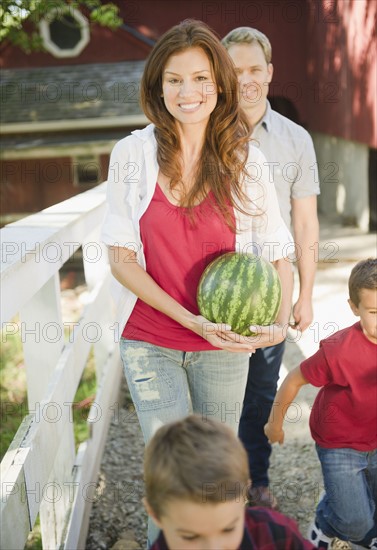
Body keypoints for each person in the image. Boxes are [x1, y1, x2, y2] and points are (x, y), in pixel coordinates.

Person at [101, 19, 294, 545]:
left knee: (217, 472)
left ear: (219, 86)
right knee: (170, 475)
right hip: (152, 337)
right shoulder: (132, 157)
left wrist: (278, 326)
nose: (188, 92)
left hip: (226, 343)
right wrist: (189, 318)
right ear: (158, 87)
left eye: (201, 79)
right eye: (174, 80)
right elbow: (120, 259)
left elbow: (279, 250)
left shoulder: (244, 160)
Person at [222, 27, 320, 509]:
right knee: (217, 388)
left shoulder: (295, 139)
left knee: (261, 389)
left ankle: (255, 480)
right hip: (212, 283)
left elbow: (305, 220)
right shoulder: (204, 134)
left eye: (254, 69)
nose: (246, 80)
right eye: (235, 70)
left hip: (272, 288)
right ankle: (218, 482)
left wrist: (304, 294)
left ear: (270, 72)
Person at [264, 258, 377, 550]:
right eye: (374, 311)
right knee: (357, 523)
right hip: (340, 445)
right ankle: (335, 522)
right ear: (354, 307)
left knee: (370, 506)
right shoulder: (338, 351)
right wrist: (274, 424)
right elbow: (293, 381)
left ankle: (338, 513)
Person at [144, 414, 316, 549]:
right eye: (190, 537)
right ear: (155, 514)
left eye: (228, 529)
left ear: (244, 496)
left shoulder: (275, 532)